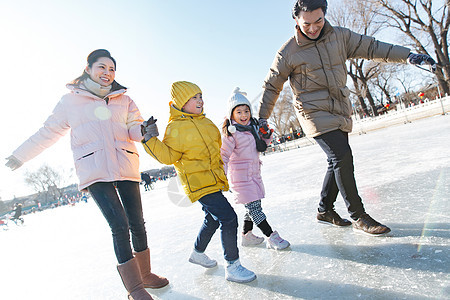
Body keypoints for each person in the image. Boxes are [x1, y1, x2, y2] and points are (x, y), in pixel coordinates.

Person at [257, 0, 437, 235]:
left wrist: (408, 56)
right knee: (342, 156)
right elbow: (272, 86)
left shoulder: (340, 37)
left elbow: (373, 47)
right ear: (296, 21)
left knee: (336, 160)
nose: (313, 28)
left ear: (325, 15)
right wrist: (261, 119)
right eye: (306, 23)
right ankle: (358, 215)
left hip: (339, 107)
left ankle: (325, 209)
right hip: (312, 112)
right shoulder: (288, 52)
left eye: (318, 21)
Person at [5, 49, 168, 299]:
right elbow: (47, 132)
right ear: (88, 68)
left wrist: (145, 129)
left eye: (112, 69)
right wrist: (20, 155)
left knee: (137, 222)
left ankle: (145, 275)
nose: (107, 73)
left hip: (125, 164)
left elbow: (134, 128)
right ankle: (134, 288)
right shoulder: (70, 101)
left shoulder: (124, 99)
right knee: (119, 225)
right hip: (94, 169)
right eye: (102, 67)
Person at [141, 81, 256, 283]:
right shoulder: (175, 127)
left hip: (213, 179)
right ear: (181, 102)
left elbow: (219, 146)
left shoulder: (207, 123)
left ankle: (198, 252)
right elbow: (168, 157)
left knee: (212, 218)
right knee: (228, 218)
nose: (200, 100)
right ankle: (233, 265)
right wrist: (150, 139)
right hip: (198, 183)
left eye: (200, 96)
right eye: (194, 97)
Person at [220, 88, 290, 250]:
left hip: (253, 174)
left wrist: (266, 135)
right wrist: (221, 176)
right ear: (232, 115)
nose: (244, 115)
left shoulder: (253, 128)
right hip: (240, 178)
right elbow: (223, 156)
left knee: (252, 207)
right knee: (254, 208)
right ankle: (271, 236)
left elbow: (262, 147)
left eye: (246, 111)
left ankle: (247, 235)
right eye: (239, 112)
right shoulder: (231, 134)